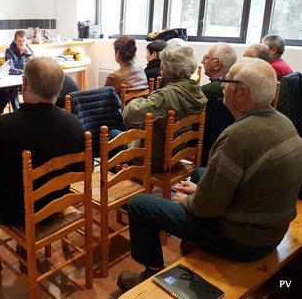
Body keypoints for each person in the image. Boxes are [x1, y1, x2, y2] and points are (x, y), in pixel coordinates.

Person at [117, 57, 302, 292]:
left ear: (243, 92)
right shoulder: (284, 122)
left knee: (140, 204)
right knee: (200, 174)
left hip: (243, 241)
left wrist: (190, 202)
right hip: (272, 229)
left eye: (227, 81)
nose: (222, 86)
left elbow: (207, 208)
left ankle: (149, 272)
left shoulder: (238, 135)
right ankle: (194, 240)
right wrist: (200, 190)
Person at [0, 57, 85, 275]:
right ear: (59, 86)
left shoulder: (3, 126)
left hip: (15, 212)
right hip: (57, 204)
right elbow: (82, 168)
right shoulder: (73, 122)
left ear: (24, 83)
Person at [123, 45, 207, 173]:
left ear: (168, 69)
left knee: (114, 135)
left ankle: (126, 185)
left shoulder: (167, 96)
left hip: (154, 158)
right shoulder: (196, 92)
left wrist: (137, 100)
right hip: (175, 154)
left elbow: (129, 116)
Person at [200, 43, 237, 114]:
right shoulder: (235, 86)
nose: (202, 61)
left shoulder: (208, 90)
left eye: (206, 58)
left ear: (217, 64)